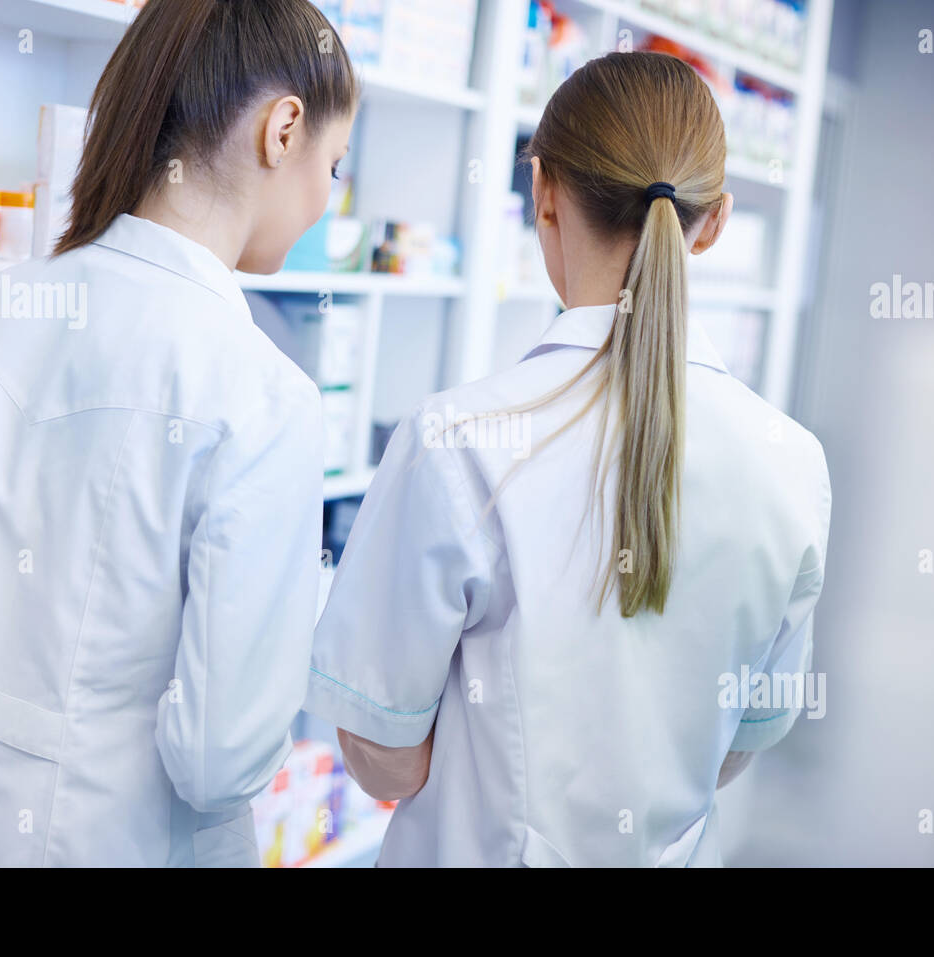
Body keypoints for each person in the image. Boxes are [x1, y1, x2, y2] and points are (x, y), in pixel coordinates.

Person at [0, 0, 357, 867]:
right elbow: (217, 758)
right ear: (284, 129)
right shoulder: (264, 394)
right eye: (335, 168)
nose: (325, 201)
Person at [305, 51, 832, 867]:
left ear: (543, 194)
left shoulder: (457, 440)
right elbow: (736, 745)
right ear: (716, 222)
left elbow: (384, 753)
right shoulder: (793, 463)